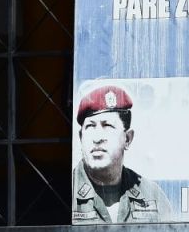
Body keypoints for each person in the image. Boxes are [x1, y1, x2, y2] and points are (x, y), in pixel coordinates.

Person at [72, 84, 173, 224]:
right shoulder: (64, 192)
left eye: (107, 126)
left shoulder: (151, 195)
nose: (97, 138)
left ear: (127, 139)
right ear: (80, 137)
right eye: (90, 126)